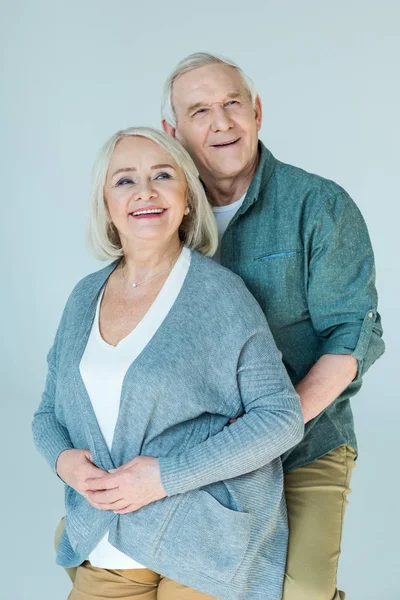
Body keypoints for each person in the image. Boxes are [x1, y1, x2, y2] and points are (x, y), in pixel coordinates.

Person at [32, 126, 304, 600]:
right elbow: (47, 414)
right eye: (125, 180)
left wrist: (165, 476)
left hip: (202, 545)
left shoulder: (221, 296)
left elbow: (280, 419)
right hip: (108, 541)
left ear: (187, 199)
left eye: (163, 175)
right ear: (106, 203)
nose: (145, 192)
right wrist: (64, 462)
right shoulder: (83, 299)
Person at [161, 52, 385, 600]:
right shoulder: (163, 215)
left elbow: (350, 335)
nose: (221, 122)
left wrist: (268, 433)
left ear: (257, 111)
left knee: (301, 591)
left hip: (307, 441)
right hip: (194, 447)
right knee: (107, 551)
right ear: (173, 132)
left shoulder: (320, 206)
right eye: (200, 111)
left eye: (232, 103)